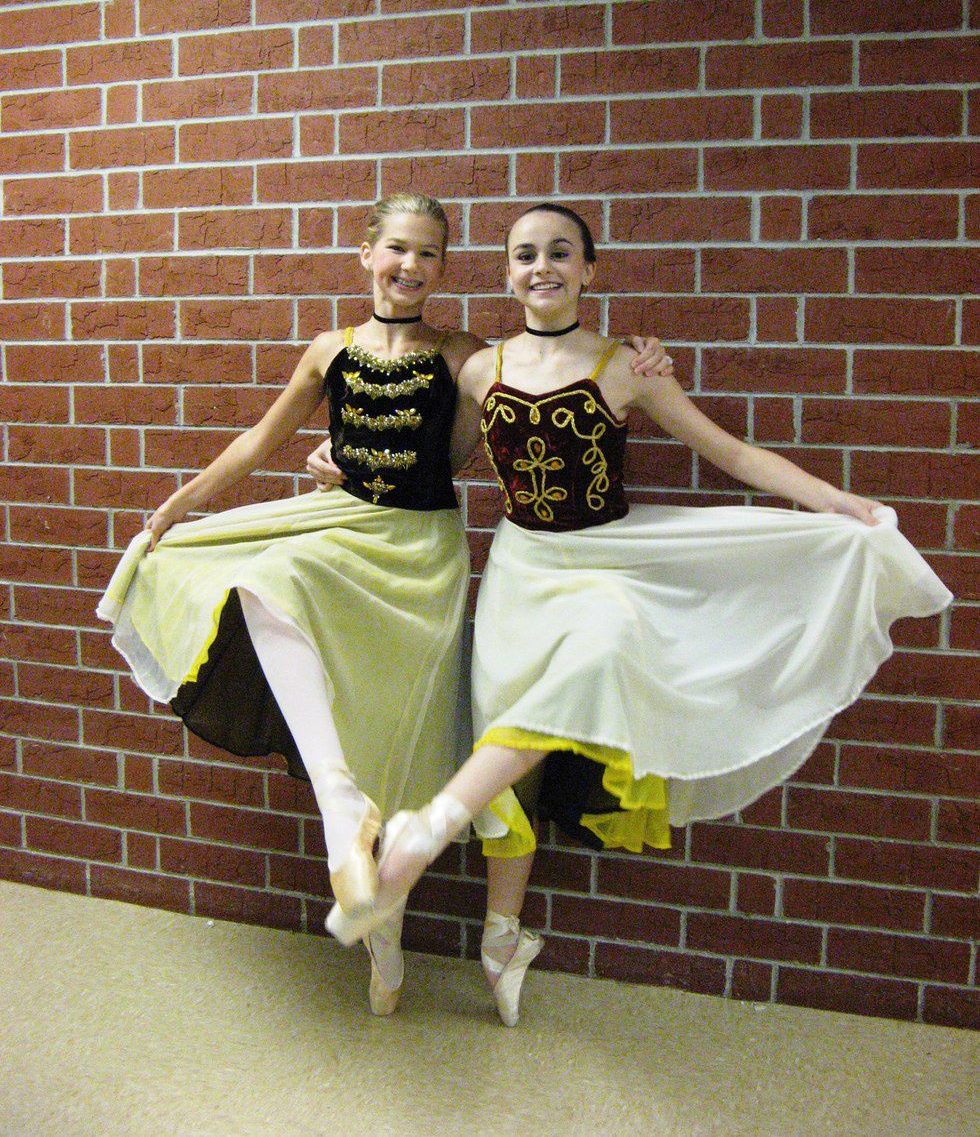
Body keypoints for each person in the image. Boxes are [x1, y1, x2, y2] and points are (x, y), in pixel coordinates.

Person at [326, 202, 953, 1030]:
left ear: (590, 269)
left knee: (602, 650)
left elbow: (730, 452)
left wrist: (835, 501)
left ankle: (426, 829)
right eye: (524, 255)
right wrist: (349, 463)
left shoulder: (628, 366)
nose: (542, 267)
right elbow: (432, 466)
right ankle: (503, 938)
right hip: (519, 574)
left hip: (605, 566)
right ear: (506, 273)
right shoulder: (479, 370)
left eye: (560, 253)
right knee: (509, 761)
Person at [98, 193, 671, 1017]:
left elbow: (485, 437)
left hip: (422, 560)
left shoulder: (463, 355)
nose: (411, 265)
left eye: (429, 253)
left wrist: (640, 361)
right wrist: (178, 505)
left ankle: (391, 900)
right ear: (366, 252)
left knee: (406, 741)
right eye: (398, 248)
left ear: (445, 267)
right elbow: (257, 441)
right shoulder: (328, 350)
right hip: (347, 538)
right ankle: (351, 833)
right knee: (268, 587)